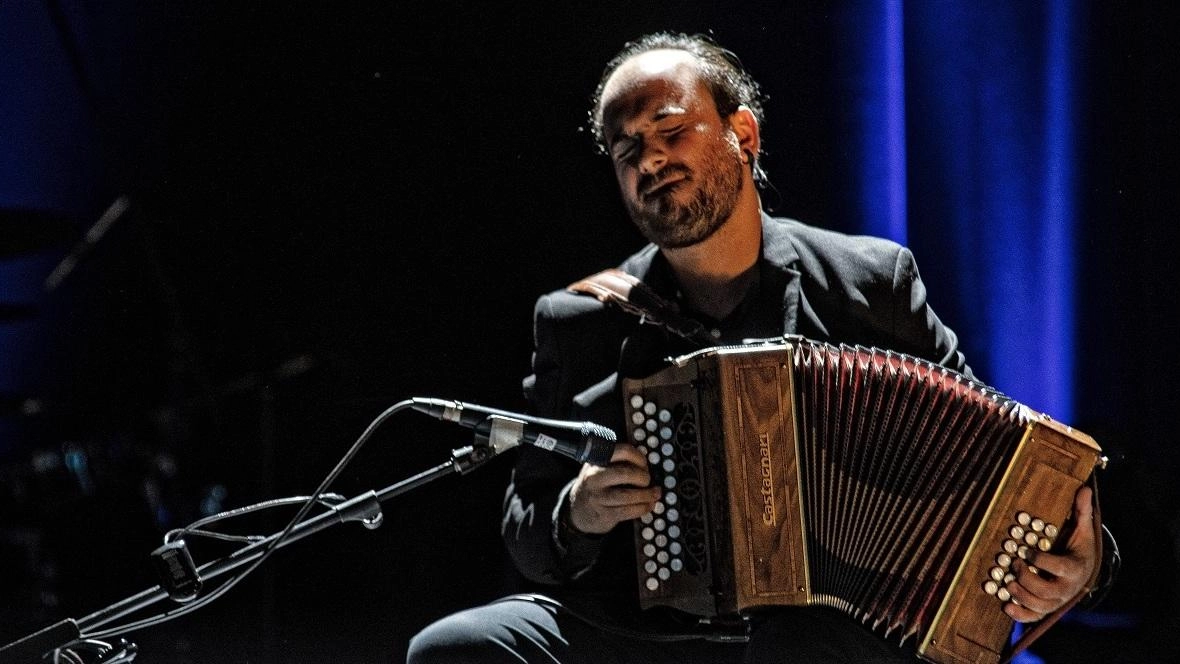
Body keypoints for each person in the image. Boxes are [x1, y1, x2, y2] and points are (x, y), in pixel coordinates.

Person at [407, 31, 1107, 663]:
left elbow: (997, 462)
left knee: (792, 640)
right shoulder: (580, 321)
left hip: (832, 630)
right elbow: (529, 530)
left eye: (671, 130)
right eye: (626, 152)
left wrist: (1081, 561)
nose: (649, 158)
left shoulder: (869, 282)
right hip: (648, 636)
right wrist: (579, 512)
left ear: (743, 133)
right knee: (453, 649)